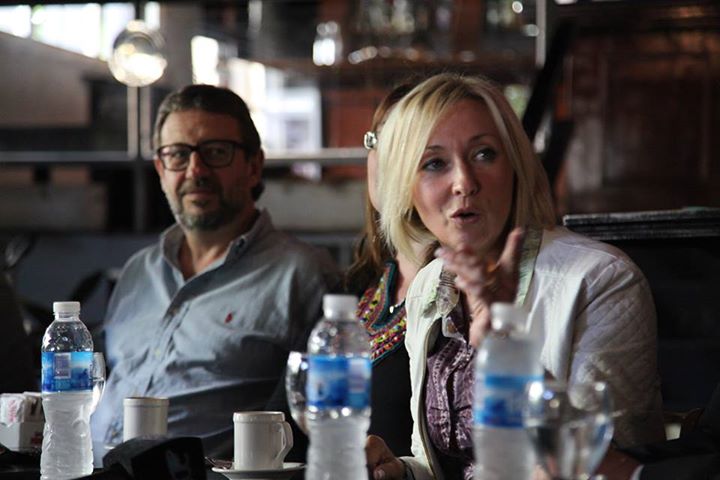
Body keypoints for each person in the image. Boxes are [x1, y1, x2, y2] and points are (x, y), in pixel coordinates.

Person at [365, 73, 665, 479]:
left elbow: (603, 466)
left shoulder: (601, 281)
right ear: (407, 190)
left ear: (516, 168)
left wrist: (509, 352)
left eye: (484, 154)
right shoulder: (429, 285)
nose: (464, 182)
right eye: (434, 163)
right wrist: (400, 472)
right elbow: (444, 465)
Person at [90, 84, 338, 459]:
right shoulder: (139, 270)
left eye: (216, 153)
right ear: (160, 169)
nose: (196, 170)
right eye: (178, 155)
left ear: (253, 166)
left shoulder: (303, 275)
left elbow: (325, 425)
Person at [345, 82, 417, 457]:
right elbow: (283, 420)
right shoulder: (356, 284)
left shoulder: (470, 295)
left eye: (406, 143)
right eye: (380, 140)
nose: (388, 157)